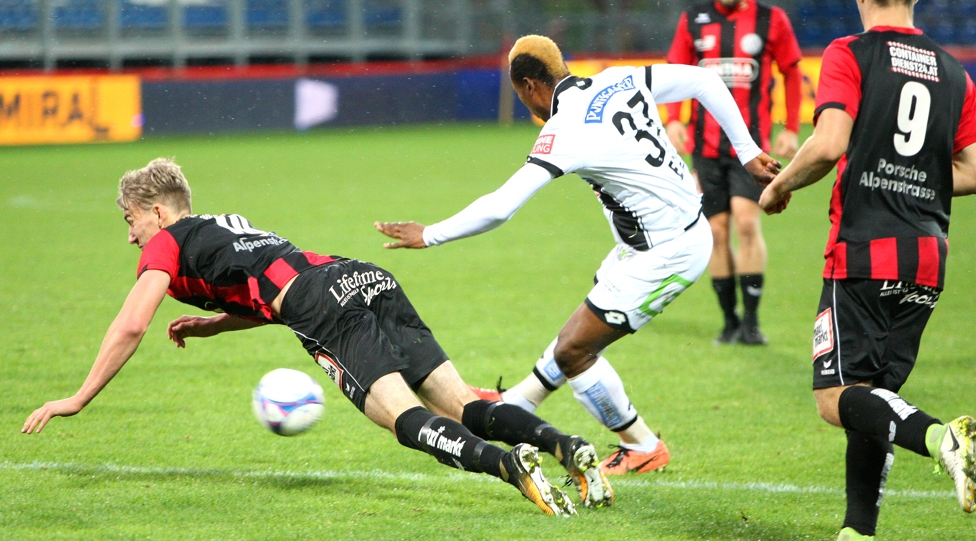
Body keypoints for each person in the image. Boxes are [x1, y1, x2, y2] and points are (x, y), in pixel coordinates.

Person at [21, 158, 615, 517]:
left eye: (130, 220)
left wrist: (78, 397)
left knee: (401, 420)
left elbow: (130, 323)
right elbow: (270, 289)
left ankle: (512, 469)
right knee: (460, 402)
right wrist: (215, 323)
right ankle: (567, 449)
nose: (131, 237)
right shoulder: (225, 226)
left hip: (321, 303)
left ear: (154, 210)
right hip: (359, 275)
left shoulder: (168, 242)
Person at [376, 35, 781, 476]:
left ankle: (642, 444)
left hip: (668, 253)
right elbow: (704, 81)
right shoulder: (620, 78)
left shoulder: (565, 128)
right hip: (652, 242)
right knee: (584, 321)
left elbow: (500, 207)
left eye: (520, 95)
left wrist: (429, 234)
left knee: (574, 352)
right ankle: (520, 400)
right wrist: (748, 152)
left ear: (530, 86)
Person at [758, 0, 976, 541]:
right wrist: (912, 172)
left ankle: (944, 438)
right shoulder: (955, 71)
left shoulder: (848, 54)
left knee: (838, 399)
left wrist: (778, 186)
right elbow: (970, 168)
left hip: (861, 255)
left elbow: (827, 145)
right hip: (927, 259)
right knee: (874, 403)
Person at [665, 0, 803, 346]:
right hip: (706, 148)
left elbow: (793, 72)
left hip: (751, 148)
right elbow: (675, 73)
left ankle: (753, 321)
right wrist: (674, 120)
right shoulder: (694, 20)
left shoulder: (770, 20)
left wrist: (791, 126)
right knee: (718, 231)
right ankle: (729, 321)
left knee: (746, 222)